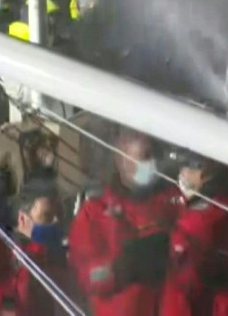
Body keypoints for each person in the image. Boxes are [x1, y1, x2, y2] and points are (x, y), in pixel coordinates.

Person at [68, 128, 181, 316]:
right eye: (145, 158)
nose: (151, 165)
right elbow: (86, 276)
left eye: (154, 156)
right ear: (121, 157)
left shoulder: (172, 202)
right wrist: (121, 267)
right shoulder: (94, 213)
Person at [159, 149, 228, 316]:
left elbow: (208, 274)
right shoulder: (181, 208)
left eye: (189, 168)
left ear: (206, 173)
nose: (182, 174)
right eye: (182, 168)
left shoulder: (219, 214)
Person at [0, 179, 67, 316]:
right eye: (47, 216)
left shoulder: (62, 259)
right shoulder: (8, 266)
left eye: (60, 216)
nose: (56, 222)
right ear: (22, 219)